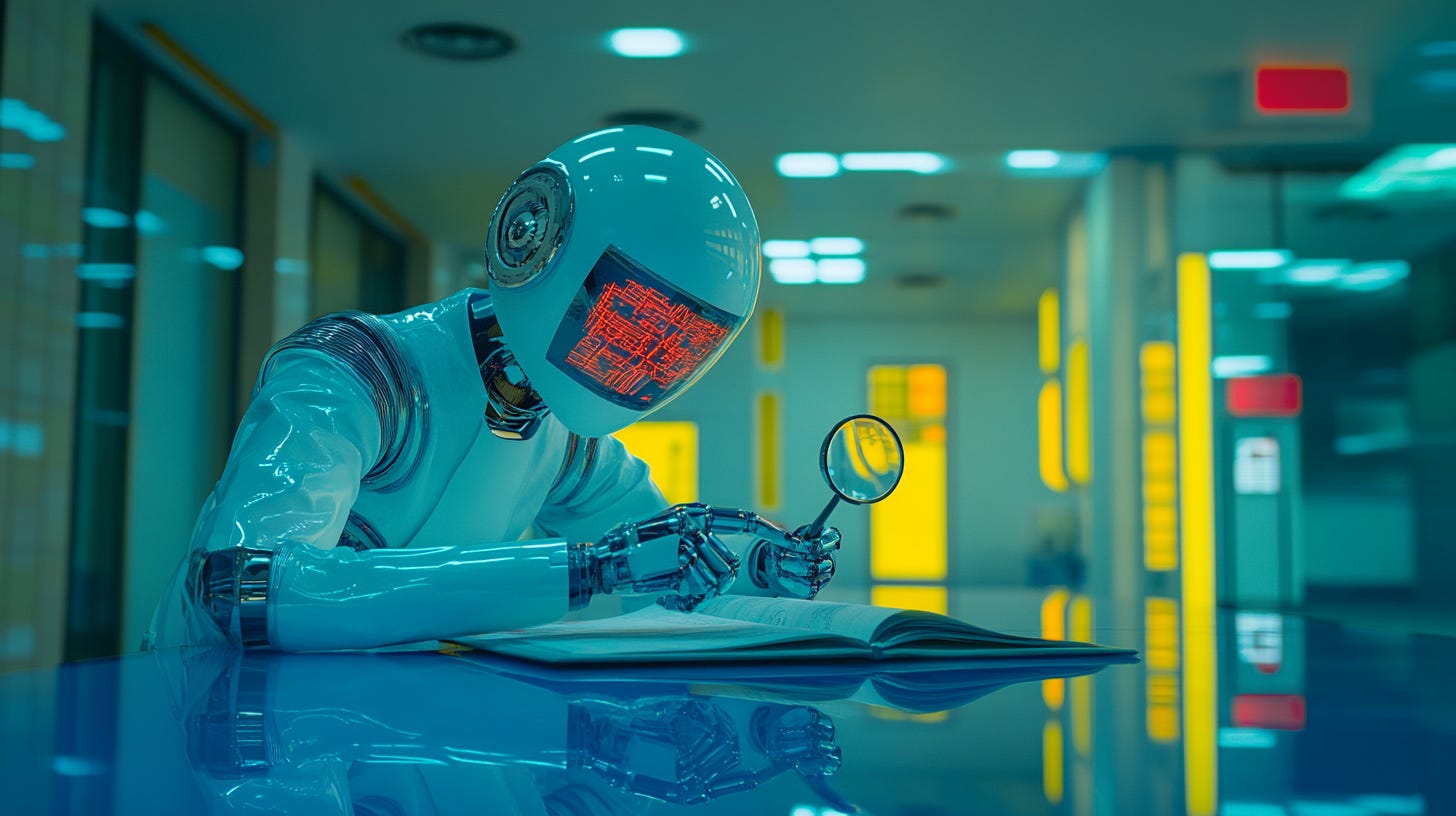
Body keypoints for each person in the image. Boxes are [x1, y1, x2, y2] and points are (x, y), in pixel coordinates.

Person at [146, 126, 840, 652]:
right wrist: (588, 570)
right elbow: (241, 588)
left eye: (675, 342)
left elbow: (662, 548)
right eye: (629, 318)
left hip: (388, 725)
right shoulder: (351, 373)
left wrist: (757, 562)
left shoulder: (565, 434)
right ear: (532, 242)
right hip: (225, 722)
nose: (638, 355)